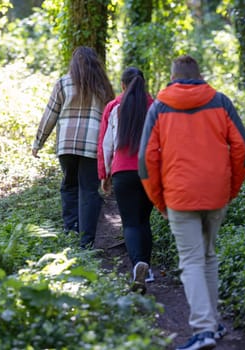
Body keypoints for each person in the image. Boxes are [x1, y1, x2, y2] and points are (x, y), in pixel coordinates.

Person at [138, 55, 245, 350]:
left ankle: (203, 331)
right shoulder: (220, 101)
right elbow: (244, 148)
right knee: (208, 257)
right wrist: (231, 188)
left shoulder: (160, 107)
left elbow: (145, 161)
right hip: (216, 193)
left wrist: (160, 201)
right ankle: (211, 323)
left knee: (191, 260)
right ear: (199, 75)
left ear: (172, 77)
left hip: (179, 195)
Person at [32, 46, 114, 249]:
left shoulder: (63, 83)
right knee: (89, 190)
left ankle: (71, 233)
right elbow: (111, 120)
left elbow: (49, 114)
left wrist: (38, 142)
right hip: (92, 146)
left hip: (66, 146)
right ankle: (86, 242)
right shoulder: (102, 87)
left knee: (69, 187)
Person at [98, 67, 155, 293]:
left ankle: (137, 266)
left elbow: (106, 144)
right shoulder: (155, 107)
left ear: (123, 85)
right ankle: (147, 270)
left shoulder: (113, 107)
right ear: (143, 84)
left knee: (130, 222)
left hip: (123, 171)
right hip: (148, 172)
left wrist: (105, 174)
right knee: (144, 221)